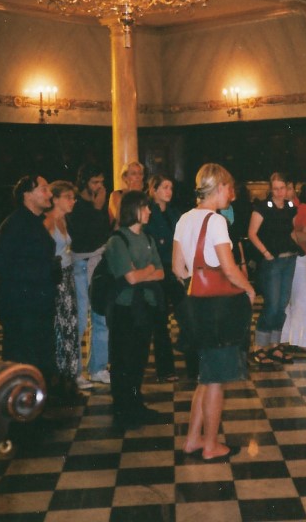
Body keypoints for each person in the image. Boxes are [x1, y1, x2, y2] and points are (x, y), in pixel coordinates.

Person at [173, 163, 255, 462]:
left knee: (205, 377)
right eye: (229, 188)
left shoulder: (184, 218)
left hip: (196, 304)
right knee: (216, 379)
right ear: (219, 187)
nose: (231, 194)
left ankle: (192, 439)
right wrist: (249, 289)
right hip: (220, 308)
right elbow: (230, 269)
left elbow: (178, 268)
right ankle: (211, 445)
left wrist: (198, 281)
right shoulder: (216, 221)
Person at [104, 190, 165, 429]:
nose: (149, 211)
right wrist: (147, 270)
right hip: (124, 308)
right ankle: (123, 409)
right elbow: (130, 278)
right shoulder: (118, 240)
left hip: (145, 305)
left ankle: (136, 404)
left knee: (139, 359)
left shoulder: (148, 238)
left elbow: (160, 272)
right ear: (133, 210)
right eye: (145, 207)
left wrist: (143, 271)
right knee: (123, 360)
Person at [0, 175, 58, 382]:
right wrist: (43, 271)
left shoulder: (34, 222)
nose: (50, 194)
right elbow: (0, 263)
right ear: (27, 195)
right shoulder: (16, 224)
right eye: (44, 189)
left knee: (39, 362)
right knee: (24, 364)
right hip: (23, 307)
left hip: (37, 304)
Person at [247, 172, 298, 366]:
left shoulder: (290, 207)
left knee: (282, 304)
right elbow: (252, 233)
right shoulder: (262, 207)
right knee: (272, 305)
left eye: (282, 188)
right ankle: (259, 346)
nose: (279, 192)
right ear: (271, 189)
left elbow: (292, 231)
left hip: (289, 259)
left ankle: (275, 345)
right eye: (275, 189)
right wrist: (265, 252)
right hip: (272, 262)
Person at [67, 164, 111, 388]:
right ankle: (75, 371)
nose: (99, 187)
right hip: (81, 264)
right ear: (84, 183)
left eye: (101, 182)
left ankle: (98, 367)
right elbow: (82, 237)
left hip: (98, 262)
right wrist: (97, 208)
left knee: (101, 317)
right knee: (80, 320)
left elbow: (103, 232)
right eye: (95, 182)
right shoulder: (77, 205)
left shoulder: (98, 203)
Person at [43, 180, 83, 395]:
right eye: (68, 197)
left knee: (70, 324)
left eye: (73, 197)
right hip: (56, 278)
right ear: (55, 199)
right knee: (59, 325)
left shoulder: (64, 220)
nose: (73, 201)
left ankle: (69, 375)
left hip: (68, 275)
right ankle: (58, 377)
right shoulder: (48, 221)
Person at [143, 174, 182, 383]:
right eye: (165, 187)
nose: (169, 191)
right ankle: (165, 369)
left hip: (174, 268)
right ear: (154, 190)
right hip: (157, 269)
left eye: (171, 188)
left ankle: (194, 366)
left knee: (185, 313)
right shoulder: (149, 212)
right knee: (160, 321)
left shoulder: (175, 213)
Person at [280, 177, 306, 357]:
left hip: (301, 257)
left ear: (294, 189)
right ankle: (283, 339)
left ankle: (301, 341)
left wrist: (286, 233)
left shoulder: (304, 208)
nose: (284, 191)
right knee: (283, 300)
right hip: (280, 258)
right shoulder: (275, 209)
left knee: (303, 298)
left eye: (288, 187)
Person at [108, 160, 145, 228]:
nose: (138, 177)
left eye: (140, 174)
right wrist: (132, 193)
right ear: (125, 177)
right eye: (134, 174)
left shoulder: (145, 196)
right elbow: (121, 218)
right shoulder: (116, 195)